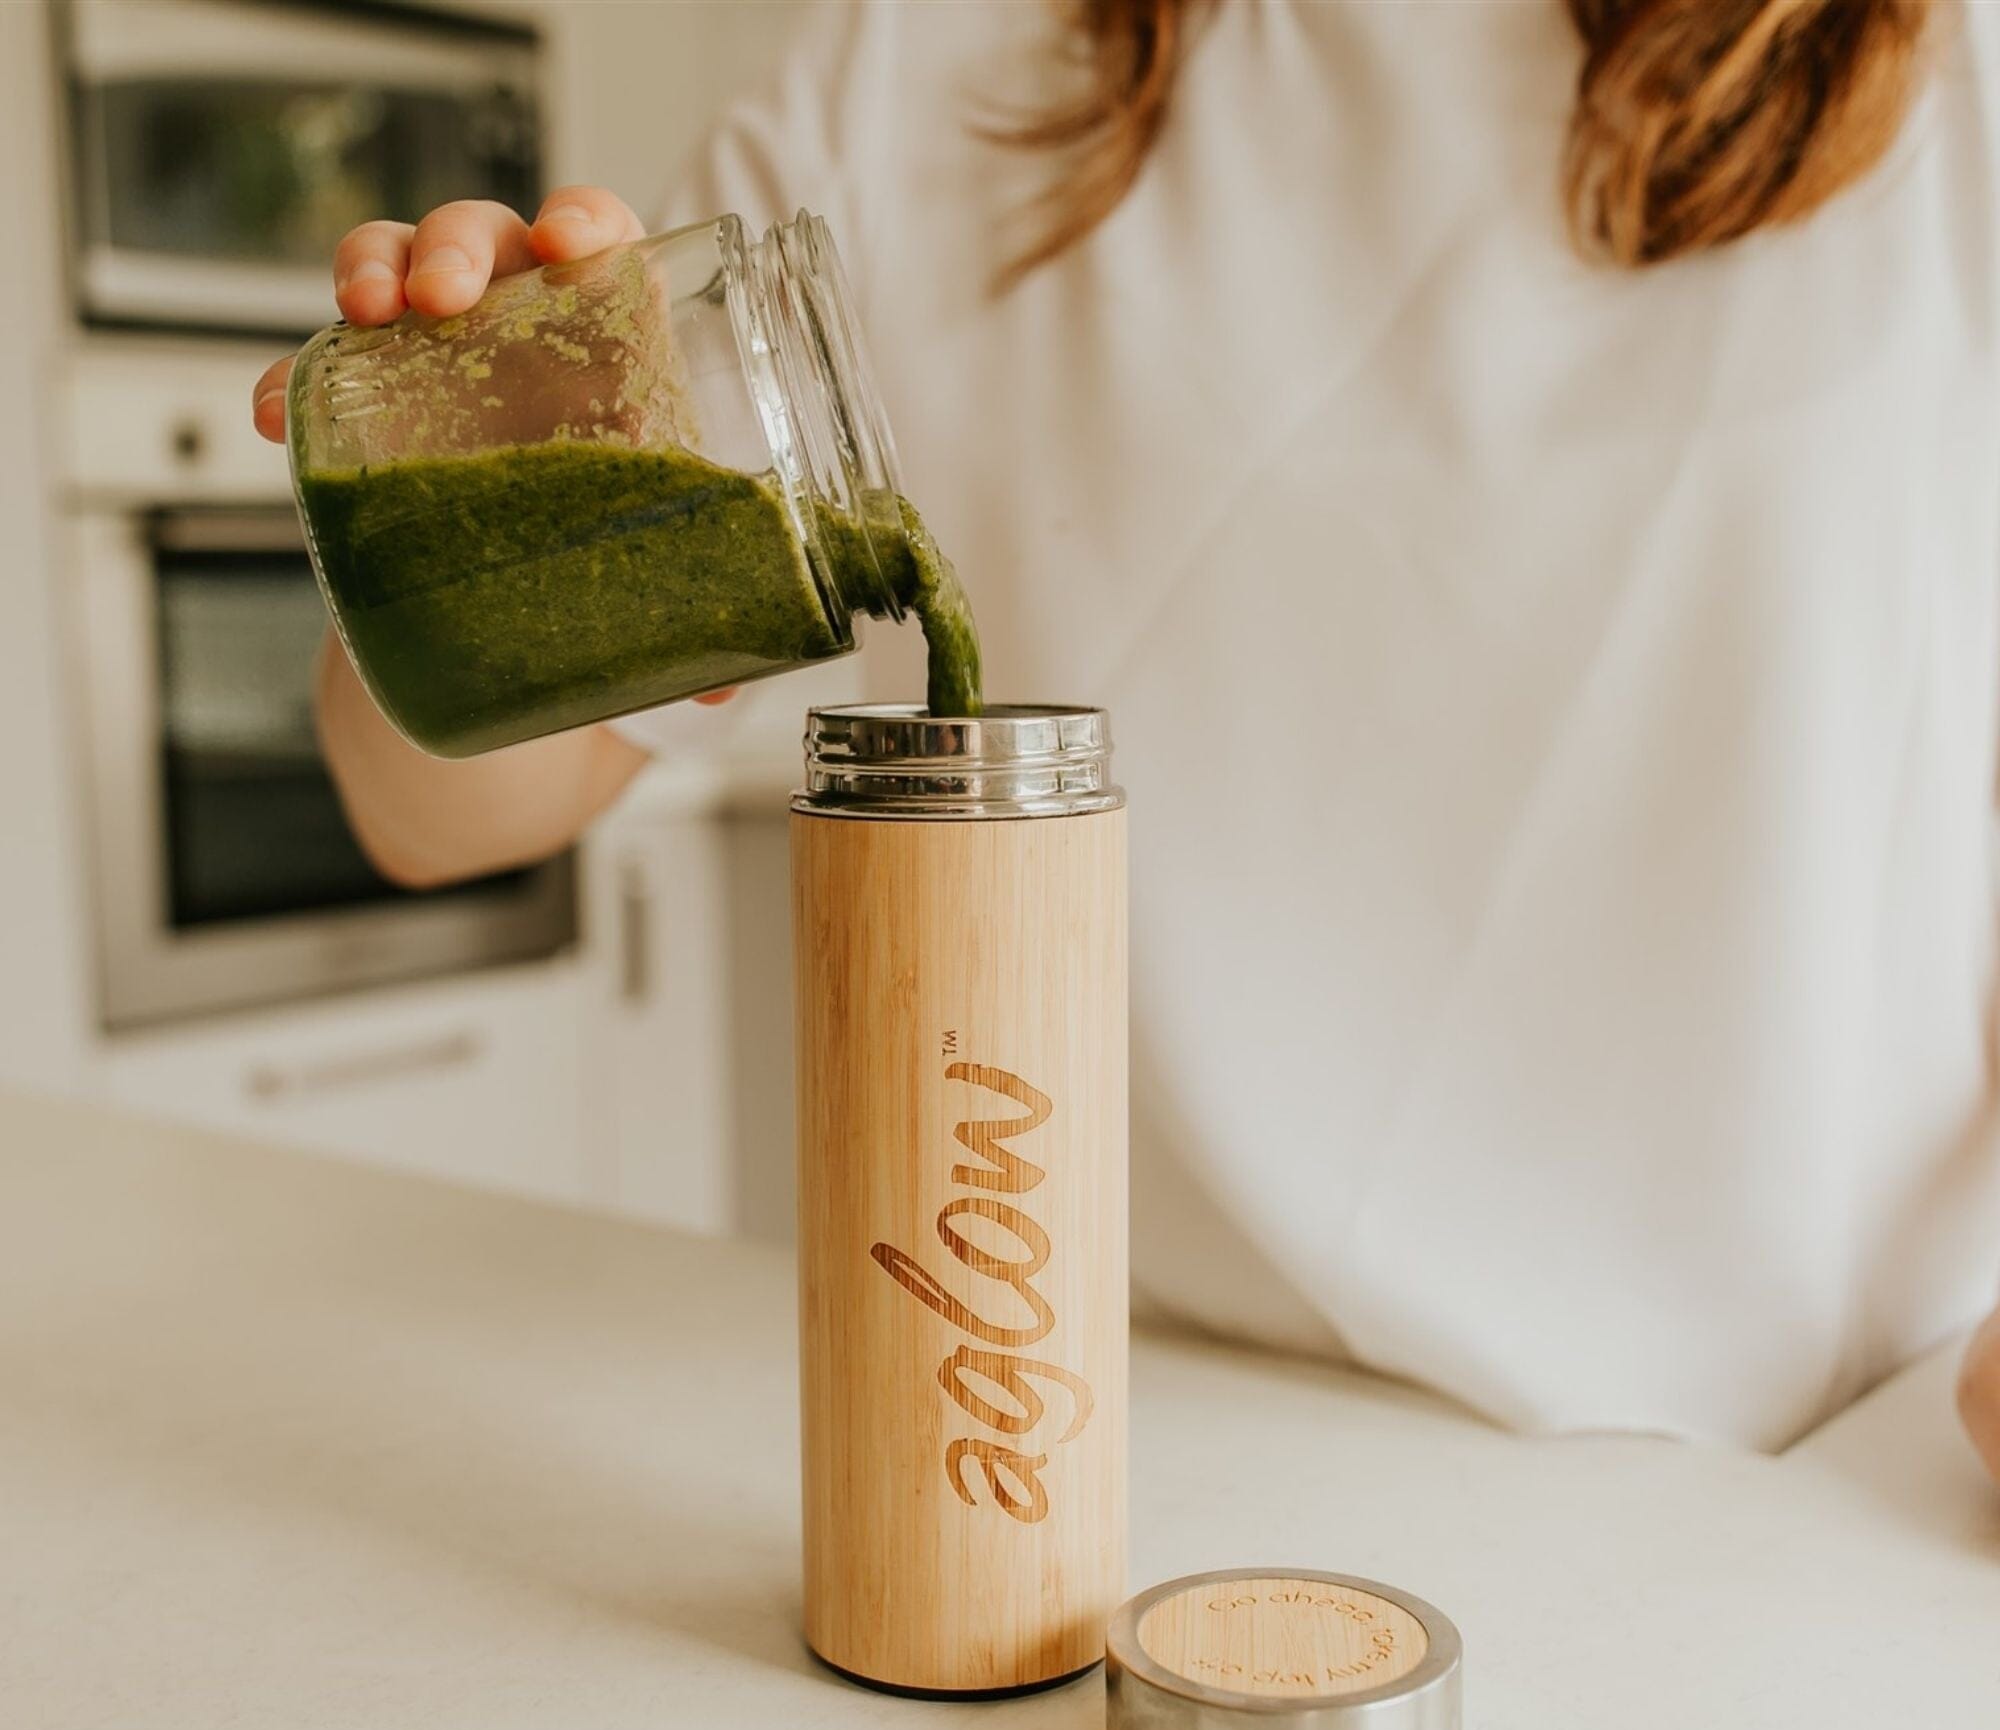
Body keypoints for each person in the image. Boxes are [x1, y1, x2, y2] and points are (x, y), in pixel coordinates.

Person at [253, 0, 2000, 1480]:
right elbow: (434, 811)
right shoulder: (935, 61)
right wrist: (498, 470)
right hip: (1107, 1438)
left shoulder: (1946, 72)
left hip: (1770, 1487)